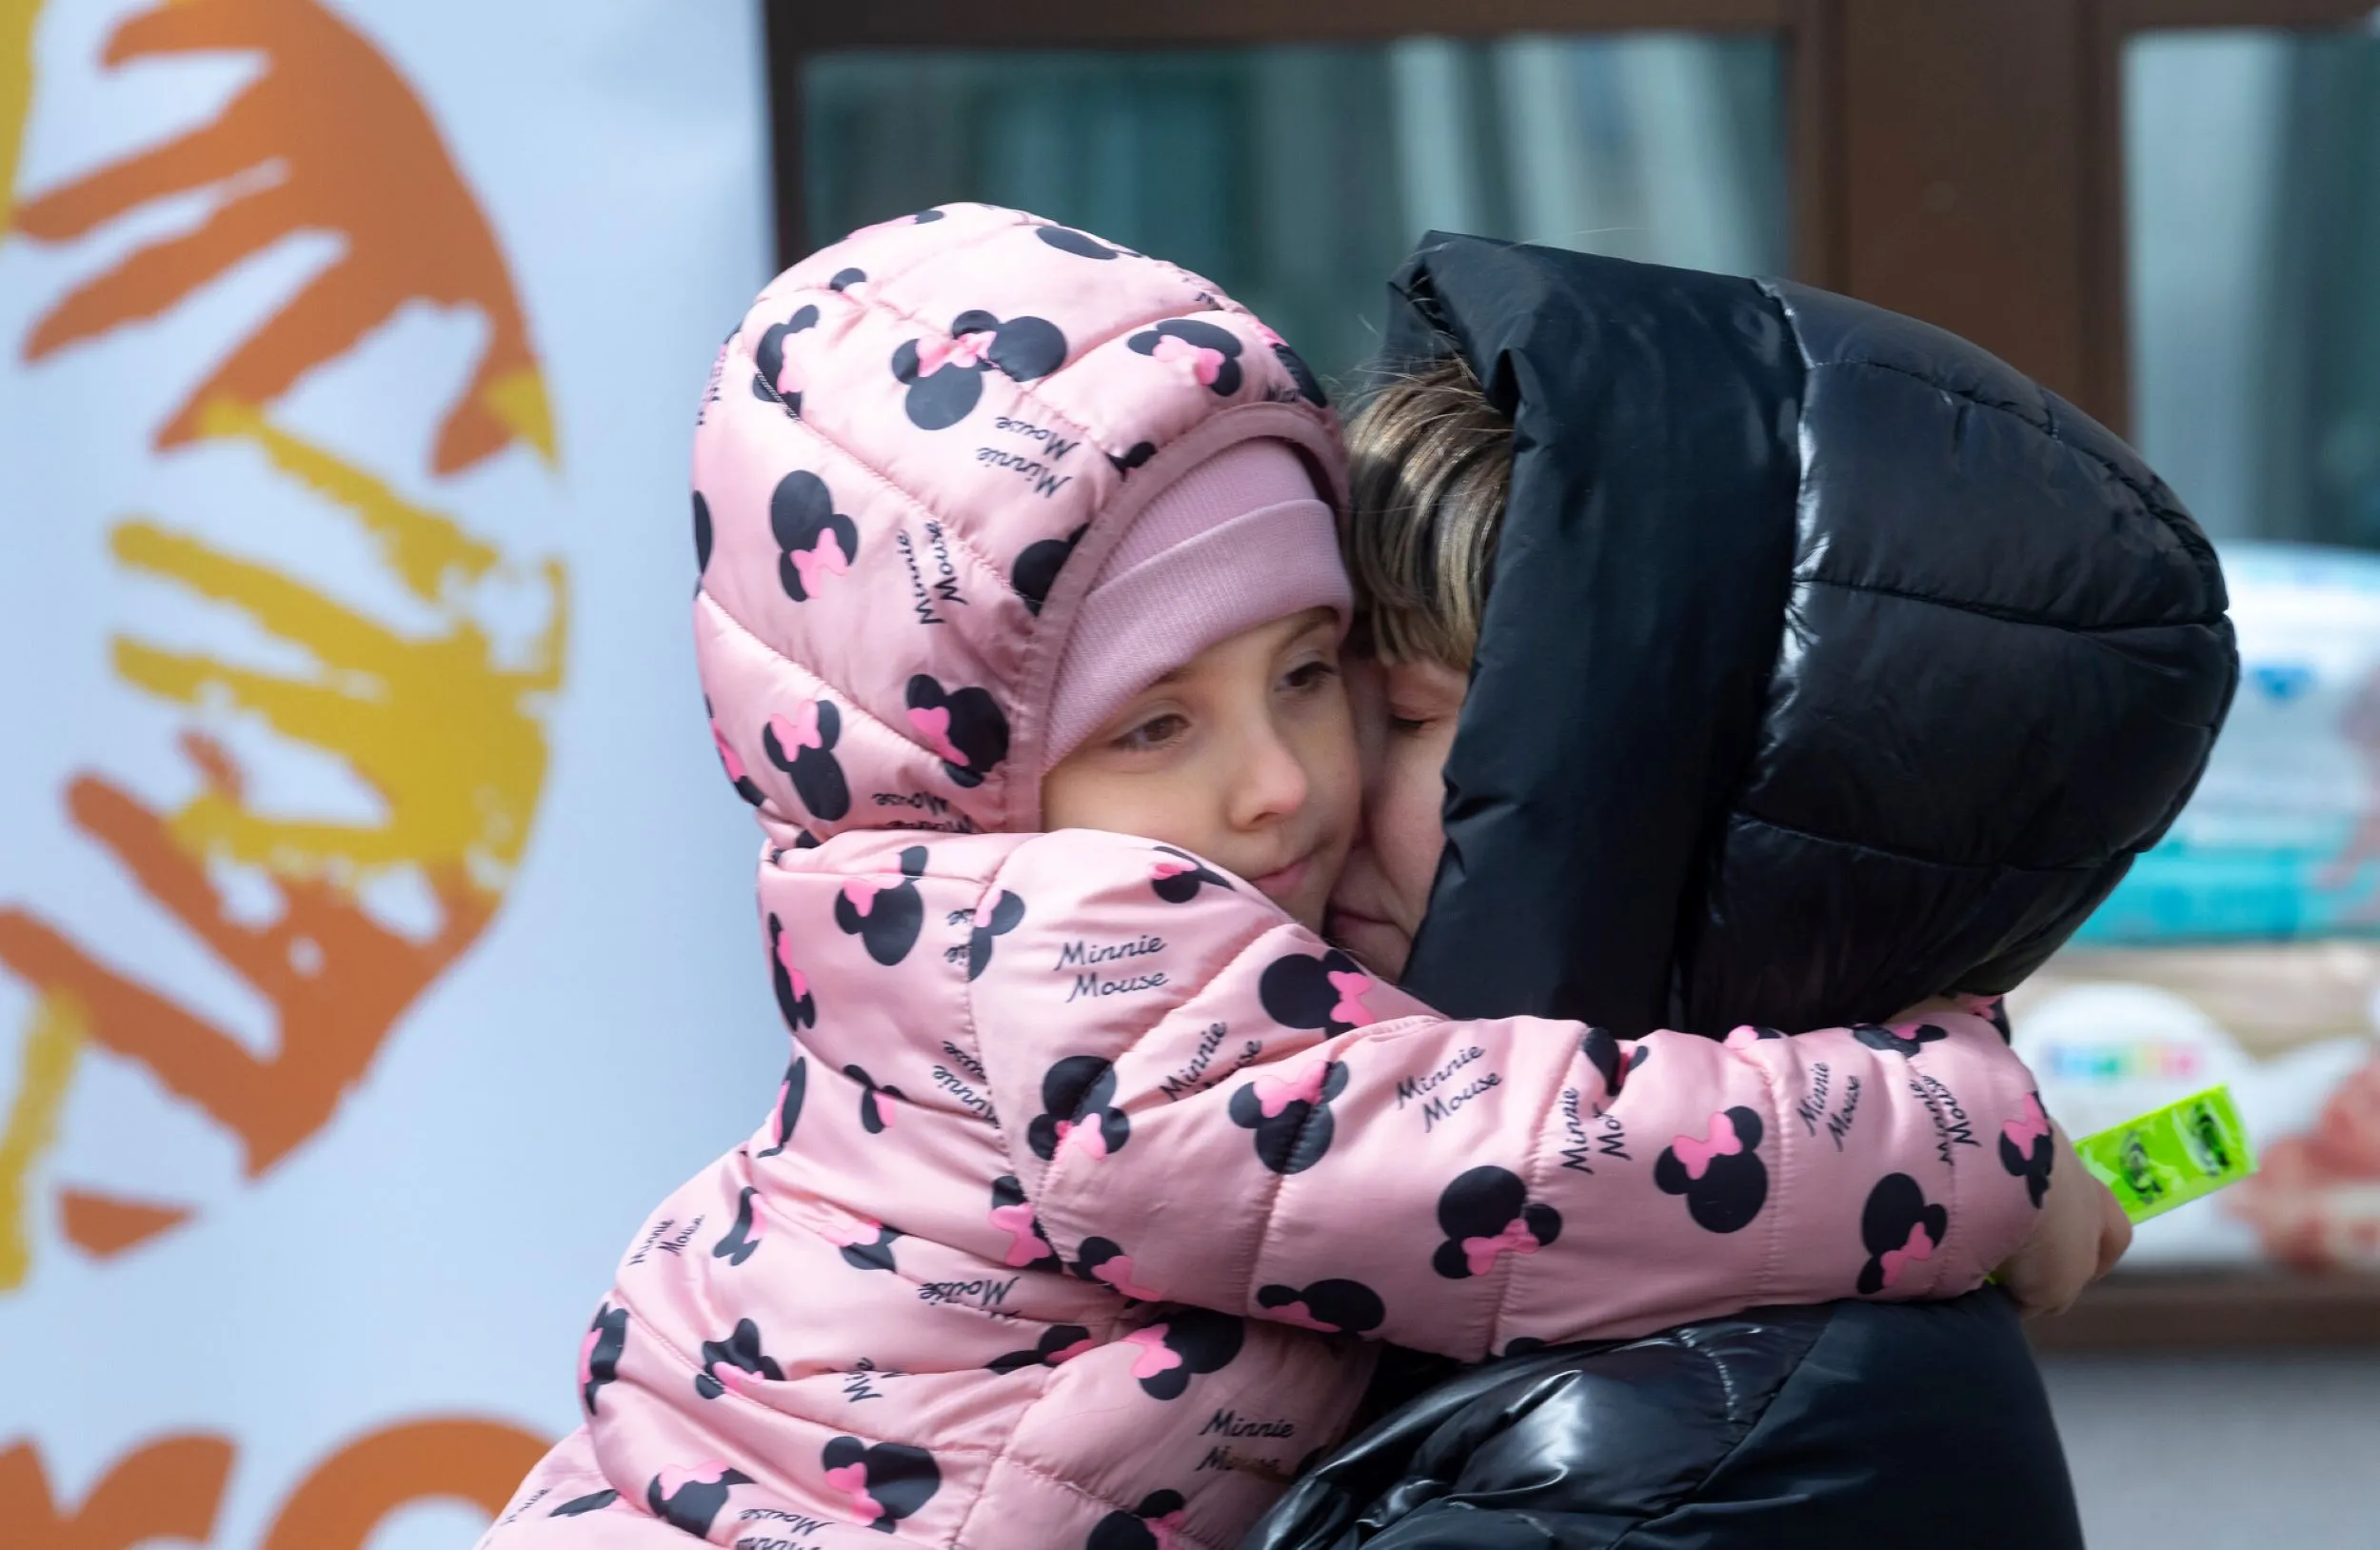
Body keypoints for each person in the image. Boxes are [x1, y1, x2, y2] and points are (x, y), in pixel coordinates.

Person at [474, 207, 2087, 1550]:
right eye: (1159, 723)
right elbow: (1522, 1171)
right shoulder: (1077, 952)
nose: (1283, 783)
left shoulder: (1021, 940)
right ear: (961, 767)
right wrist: (1961, 1138)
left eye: (1311, 673)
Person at [1243, 233, 2237, 1550]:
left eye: (1419, 718)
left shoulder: (1693, 1447)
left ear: (1666, 795)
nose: (1297, 783)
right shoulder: (1562, 1250)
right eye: (1314, 690)